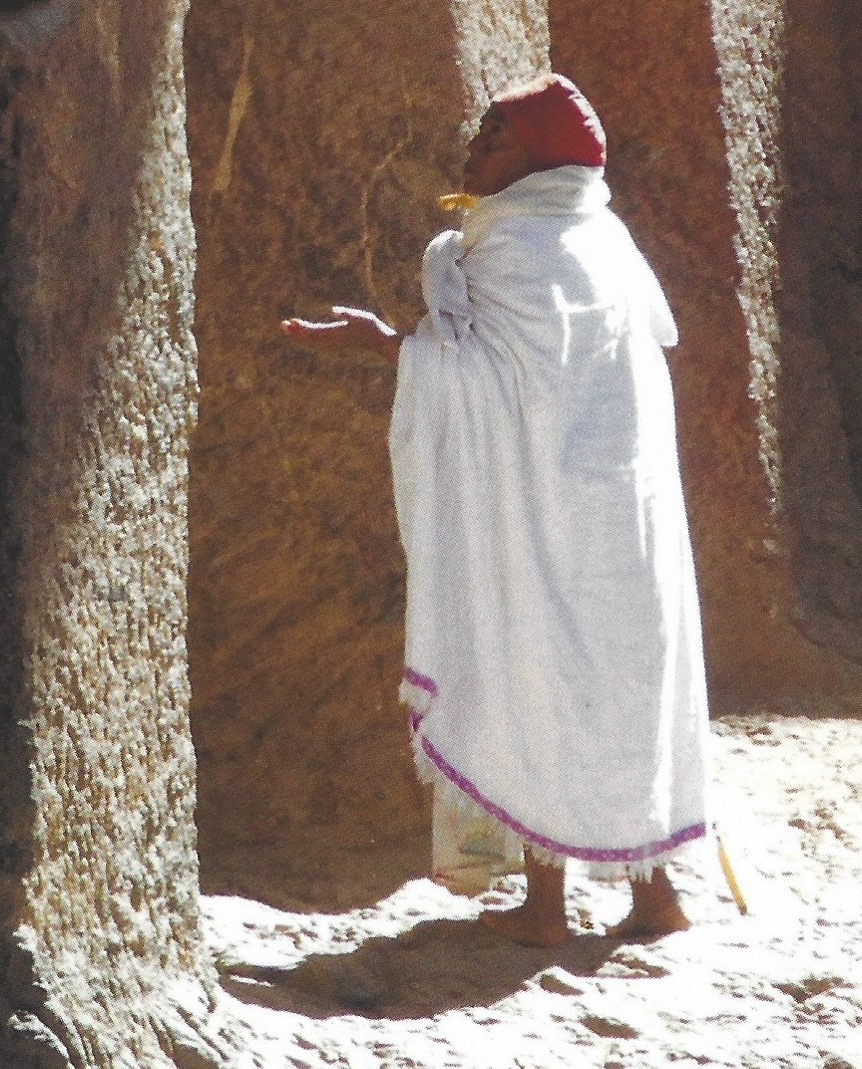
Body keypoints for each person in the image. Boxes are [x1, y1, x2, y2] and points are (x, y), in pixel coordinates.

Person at [281, 73, 709, 947]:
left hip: (549, 521)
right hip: (626, 524)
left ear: (540, 156)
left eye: (497, 136)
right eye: (481, 132)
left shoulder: (513, 249)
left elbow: (488, 378)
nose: (475, 148)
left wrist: (388, 349)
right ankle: (653, 894)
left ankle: (548, 910)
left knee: (536, 675)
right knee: (625, 689)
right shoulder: (605, 240)